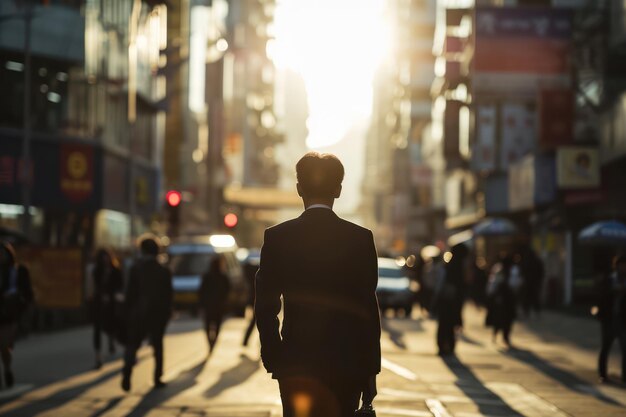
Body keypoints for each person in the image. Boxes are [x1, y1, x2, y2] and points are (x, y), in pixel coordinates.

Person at [255, 152, 381, 417]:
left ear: (299, 188)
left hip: (295, 363)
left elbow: (265, 305)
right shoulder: (360, 239)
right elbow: (368, 309)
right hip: (346, 364)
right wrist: (370, 369)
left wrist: (274, 354)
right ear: (338, 190)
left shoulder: (278, 238)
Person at [121, 236, 173, 392]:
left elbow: (130, 294)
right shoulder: (163, 271)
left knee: (133, 345)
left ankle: (127, 372)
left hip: (138, 313)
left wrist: (128, 313)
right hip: (157, 314)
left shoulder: (135, 269)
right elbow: (168, 296)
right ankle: (157, 378)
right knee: (158, 346)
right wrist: (167, 313)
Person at [0, 242, 33, 389]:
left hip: (9, 314)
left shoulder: (19, 271)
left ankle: (7, 369)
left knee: (4, 346)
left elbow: (28, 293)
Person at [595, 255, 626, 383]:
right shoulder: (609, 280)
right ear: (616, 266)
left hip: (623, 319)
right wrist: (613, 291)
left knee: (625, 348)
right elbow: (601, 296)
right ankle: (603, 374)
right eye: (621, 265)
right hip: (609, 319)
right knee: (605, 347)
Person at [91, 248, 124, 369]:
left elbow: (120, 285)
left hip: (112, 304)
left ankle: (111, 341)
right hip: (99, 303)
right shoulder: (97, 271)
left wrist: (113, 295)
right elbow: (94, 285)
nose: (105, 260)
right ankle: (98, 355)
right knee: (97, 329)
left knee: (111, 326)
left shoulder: (116, 271)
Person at [432, 244, 468, 356]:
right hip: (450, 301)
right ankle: (447, 346)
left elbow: (439, 285)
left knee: (445, 324)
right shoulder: (456, 267)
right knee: (448, 324)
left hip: (447, 301)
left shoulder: (449, 266)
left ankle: (444, 346)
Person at [199, 255, 230, 354]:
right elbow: (228, 290)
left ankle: (210, 342)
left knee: (208, 325)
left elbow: (201, 291)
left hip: (209, 306)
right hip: (219, 306)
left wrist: (201, 303)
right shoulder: (223, 276)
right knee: (217, 325)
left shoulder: (207, 276)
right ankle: (213, 341)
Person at [485, 255, 517, 347]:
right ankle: (504, 336)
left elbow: (492, 284)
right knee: (506, 319)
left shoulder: (499, 269)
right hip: (507, 299)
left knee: (499, 318)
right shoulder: (511, 270)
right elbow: (516, 284)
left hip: (501, 299)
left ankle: (498, 335)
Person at [519, 247, 545, 318]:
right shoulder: (537, 261)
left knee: (528, 298)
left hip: (529, 283)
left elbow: (522, 272)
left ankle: (527, 312)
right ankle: (536, 312)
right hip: (534, 283)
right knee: (534, 298)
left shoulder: (526, 261)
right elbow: (541, 272)